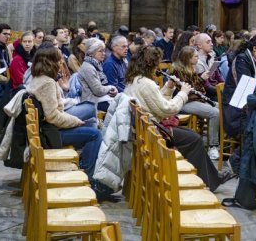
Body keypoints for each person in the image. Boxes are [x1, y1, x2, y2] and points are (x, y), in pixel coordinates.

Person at [125, 46, 230, 192]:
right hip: (154, 132)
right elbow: (168, 109)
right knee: (194, 139)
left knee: (191, 136)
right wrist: (183, 93)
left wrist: (169, 87)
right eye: (157, 64)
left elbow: (157, 102)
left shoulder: (136, 80)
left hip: (148, 128)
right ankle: (206, 180)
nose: (157, 68)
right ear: (151, 64)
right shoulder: (146, 84)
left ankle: (209, 177)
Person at [25, 47, 106, 194]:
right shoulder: (47, 82)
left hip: (47, 129)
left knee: (90, 120)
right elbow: (53, 116)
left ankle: (85, 163)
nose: (62, 61)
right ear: (50, 62)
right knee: (95, 134)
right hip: (50, 134)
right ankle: (88, 176)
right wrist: (75, 121)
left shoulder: (40, 78)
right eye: (58, 59)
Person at [171, 45, 220, 159]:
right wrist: (202, 79)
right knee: (214, 113)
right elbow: (188, 90)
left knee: (220, 107)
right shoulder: (178, 71)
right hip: (185, 102)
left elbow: (197, 87)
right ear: (188, 58)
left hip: (197, 99)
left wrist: (202, 79)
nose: (198, 58)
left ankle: (217, 140)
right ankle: (213, 146)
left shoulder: (192, 68)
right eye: (195, 56)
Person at [222, 34, 256, 139]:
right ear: (255, 49)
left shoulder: (253, 60)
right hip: (235, 111)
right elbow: (247, 88)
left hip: (244, 105)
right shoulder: (242, 60)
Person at [75, 38, 118, 115]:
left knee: (123, 100)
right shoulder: (88, 67)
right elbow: (98, 91)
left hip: (97, 99)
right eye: (100, 51)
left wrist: (112, 90)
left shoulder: (96, 65)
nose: (104, 53)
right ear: (91, 53)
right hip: (91, 102)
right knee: (120, 107)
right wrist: (111, 87)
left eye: (104, 51)